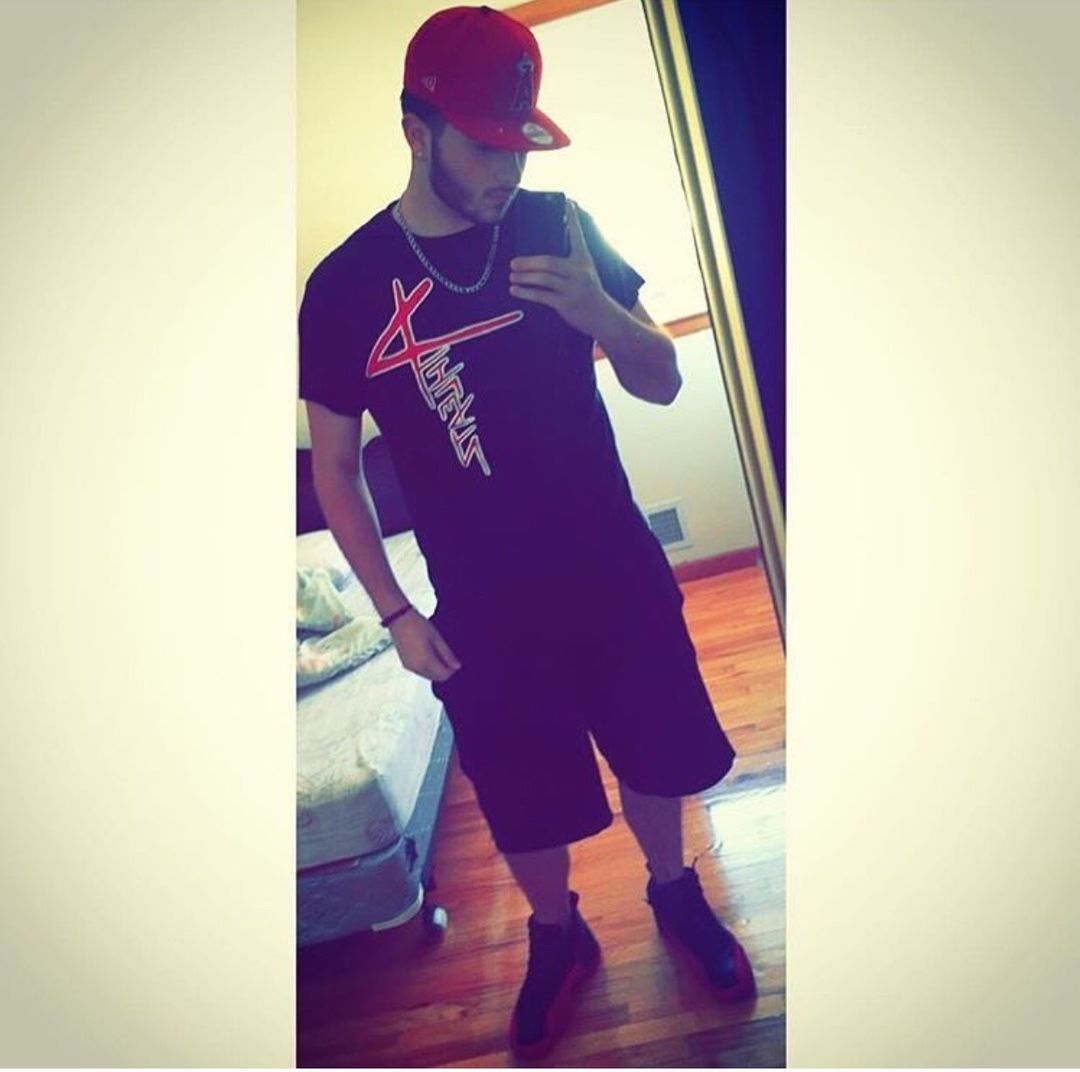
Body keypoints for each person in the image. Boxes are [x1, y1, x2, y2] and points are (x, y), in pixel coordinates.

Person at [299, 4, 755, 1059]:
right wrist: (395, 612)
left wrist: (602, 312)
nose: (509, 168)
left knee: (656, 748)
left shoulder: (559, 224)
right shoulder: (345, 288)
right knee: (526, 794)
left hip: (612, 565)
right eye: (485, 145)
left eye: (520, 143)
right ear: (417, 131)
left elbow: (661, 377)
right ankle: (558, 935)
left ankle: (674, 889)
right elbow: (333, 469)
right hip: (482, 604)